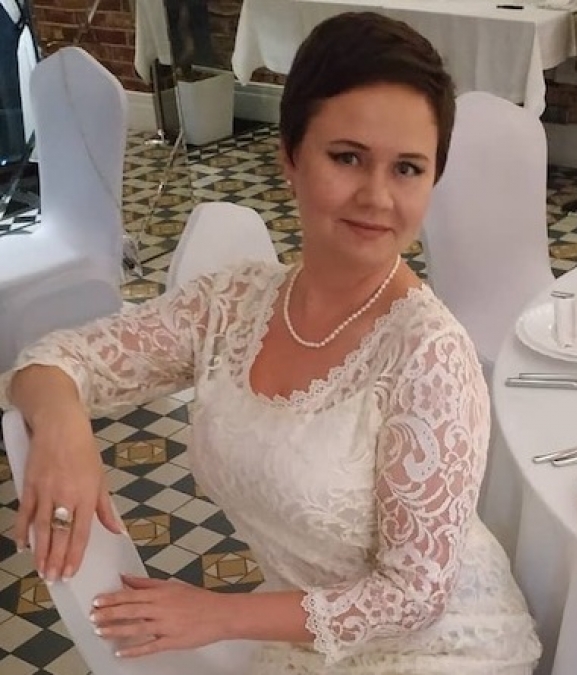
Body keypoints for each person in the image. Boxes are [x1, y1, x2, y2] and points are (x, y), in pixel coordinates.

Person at [0, 12, 541, 674]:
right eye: (347, 157)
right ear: (290, 156)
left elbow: (415, 598)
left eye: (408, 168)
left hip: (442, 647)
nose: (377, 196)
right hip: (301, 626)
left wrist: (217, 614)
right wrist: (64, 428)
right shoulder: (231, 305)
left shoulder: (430, 356)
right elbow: (50, 361)